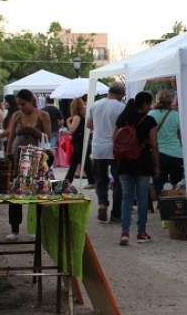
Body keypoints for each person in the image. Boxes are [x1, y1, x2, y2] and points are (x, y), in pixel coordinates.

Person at [5, 89, 51, 240]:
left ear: (31, 101)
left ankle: (34, 227)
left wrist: (32, 130)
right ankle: (14, 228)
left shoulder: (43, 115)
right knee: (15, 191)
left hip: (36, 158)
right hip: (17, 156)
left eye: (23, 104)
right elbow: (11, 136)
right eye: (18, 105)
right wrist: (8, 155)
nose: (21, 108)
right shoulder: (16, 116)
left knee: (34, 191)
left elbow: (47, 137)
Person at [114, 91, 159, 245]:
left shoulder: (123, 118)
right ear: (145, 104)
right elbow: (153, 144)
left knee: (127, 197)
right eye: (149, 104)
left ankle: (125, 231)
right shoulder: (149, 121)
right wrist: (157, 165)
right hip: (143, 162)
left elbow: (114, 139)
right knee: (142, 198)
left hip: (124, 162)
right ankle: (141, 232)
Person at [89, 81, 126, 223]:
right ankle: (116, 213)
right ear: (121, 93)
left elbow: (89, 125)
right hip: (115, 148)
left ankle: (102, 203)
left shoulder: (95, 105)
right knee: (118, 180)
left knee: (100, 179)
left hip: (98, 147)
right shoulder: (121, 107)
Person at [149, 89, 182, 201]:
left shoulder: (151, 114)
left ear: (157, 100)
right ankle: (177, 208)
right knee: (177, 185)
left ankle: (164, 208)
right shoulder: (176, 115)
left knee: (159, 185)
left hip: (158, 154)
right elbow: (180, 136)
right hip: (176, 154)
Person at [64, 95, 92, 185]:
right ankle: (68, 180)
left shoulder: (77, 117)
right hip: (82, 141)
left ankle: (68, 180)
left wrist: (68, 122)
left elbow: (72, 129)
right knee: (78, 161)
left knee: (80, 161)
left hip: (79, 142)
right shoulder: (83, 116)